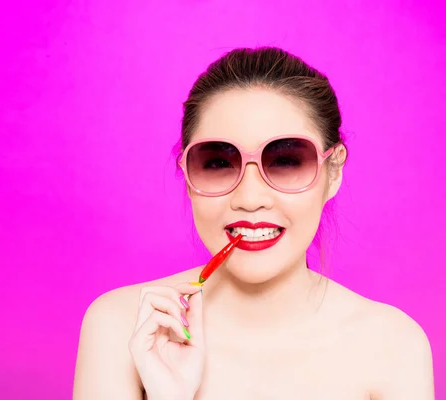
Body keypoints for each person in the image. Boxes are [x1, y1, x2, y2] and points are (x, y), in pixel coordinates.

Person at [72, 47, 434, 400]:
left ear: (333, 171)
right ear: (186, 172)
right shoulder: (122, 326)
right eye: (216, 163)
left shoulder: (393, 345)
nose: (249, 198)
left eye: (286, 160)